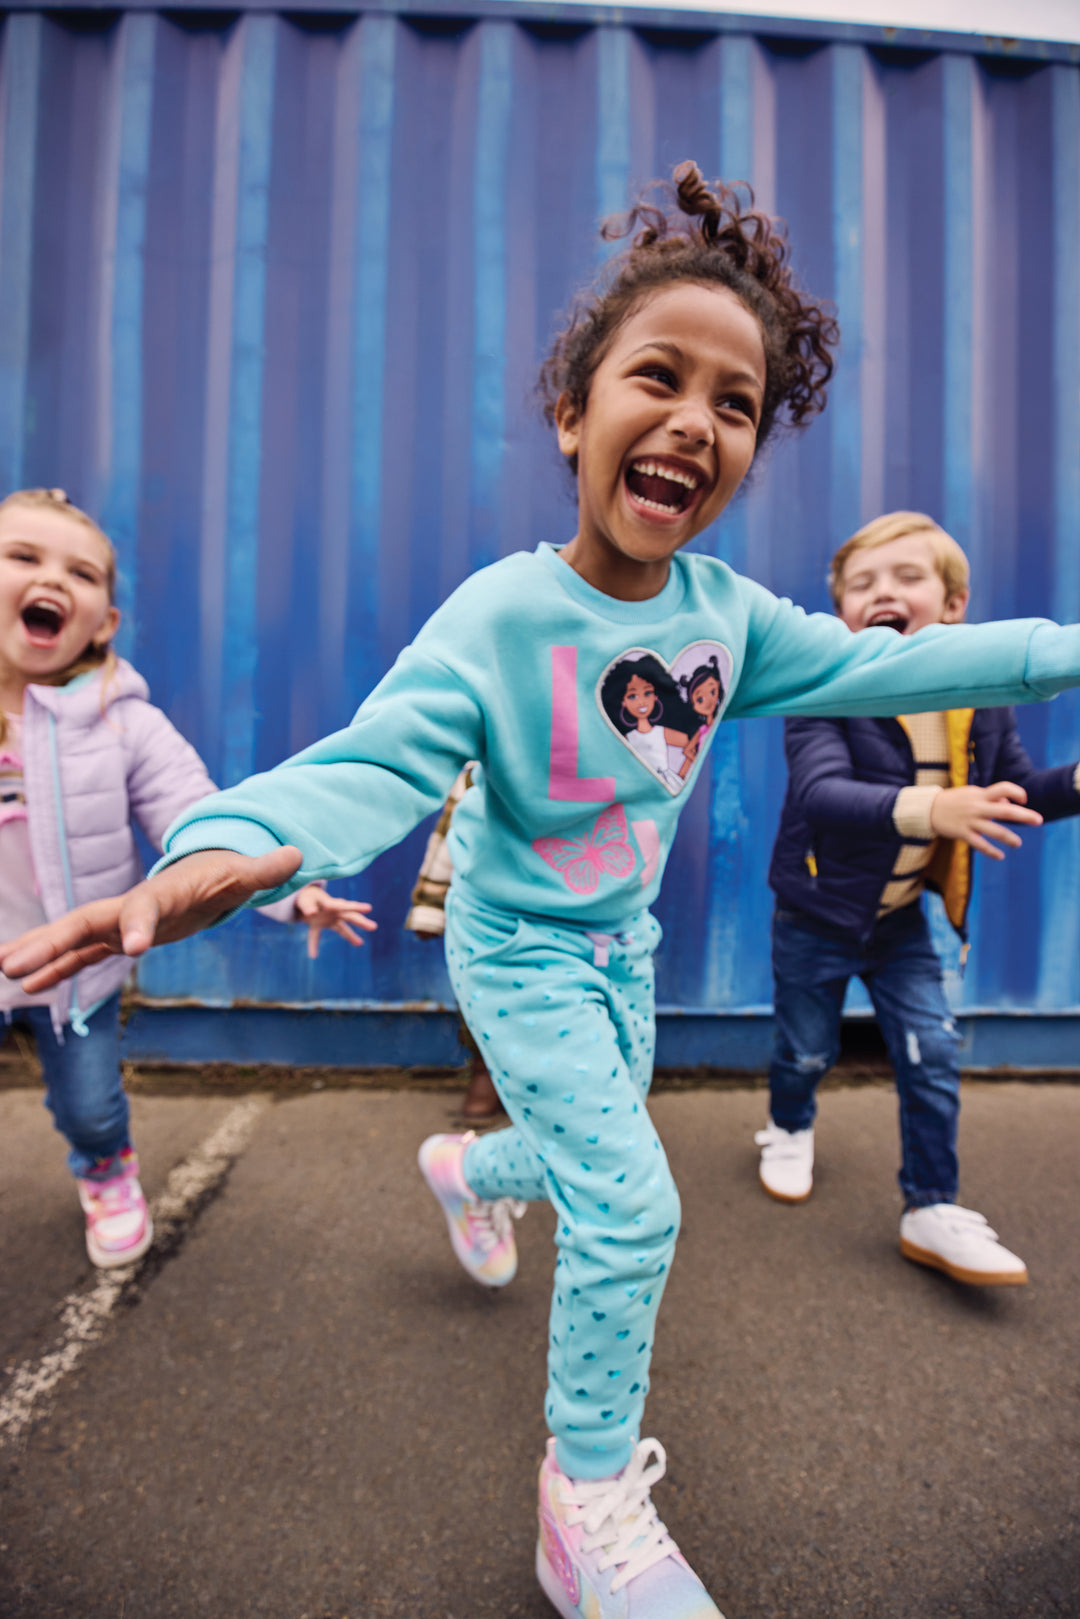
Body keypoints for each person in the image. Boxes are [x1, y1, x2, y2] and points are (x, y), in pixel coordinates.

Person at [5, 167, 1080, 1618]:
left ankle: (464, 1170)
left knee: (583, 1160)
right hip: (515, 950)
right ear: (575, 413)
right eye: (659, 377)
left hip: (620, 948)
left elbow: (906, 663)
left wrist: (1065, 649)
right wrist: (235, 845)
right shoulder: (502, 615)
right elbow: (372, 762)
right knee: (631, 1204)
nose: (696, 418)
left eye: (737, 403)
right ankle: (583, 1502)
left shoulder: (729, 622)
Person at [0, 487, 375, 1268]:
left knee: (90, 1103)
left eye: (80, 572)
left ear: (104, 622)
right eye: (23, 557)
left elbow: (198, 819)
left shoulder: (122, 721)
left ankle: (107, 1169)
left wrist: (289, 892)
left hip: (79, 970)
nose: (52, 578)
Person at [758, 510, 1079, 1286]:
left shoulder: (980, 700)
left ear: (954, 605)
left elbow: (1016, 789)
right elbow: (822, 792)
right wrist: (934, 808)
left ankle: (931, 1205)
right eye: (861, 583)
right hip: (816, 913)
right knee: (807, 1047)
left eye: (908, 577)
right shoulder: (826, 689)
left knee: (931, 1051)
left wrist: (1073, 782)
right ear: (842, 612)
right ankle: (788, 1124)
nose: (882, 592)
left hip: (901, 918)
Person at [405, 765, 503, 1119]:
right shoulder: (482, 770)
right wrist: (430, 909)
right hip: (490, 911)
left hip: (564, 908)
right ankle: (485, 1070)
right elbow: (449, 840)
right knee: (483, 996)